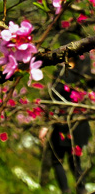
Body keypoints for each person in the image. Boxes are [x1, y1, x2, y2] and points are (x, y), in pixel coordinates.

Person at [39, 53, 93, 194]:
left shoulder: (63, 74)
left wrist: (45, 125)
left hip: (64, 123)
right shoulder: (86, 75)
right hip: (80, 123)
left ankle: (66, 191)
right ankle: (81, 189)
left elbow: (53, 99)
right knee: (75, 160)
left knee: (57, 159)